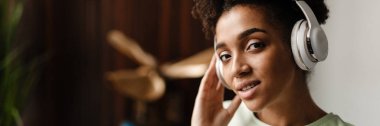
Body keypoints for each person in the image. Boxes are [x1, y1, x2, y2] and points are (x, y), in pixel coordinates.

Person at [191, 0, 352, 125]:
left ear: (301, 45)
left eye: (254, 45)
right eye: (225, 56)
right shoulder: (216, 120)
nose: (236, 69)